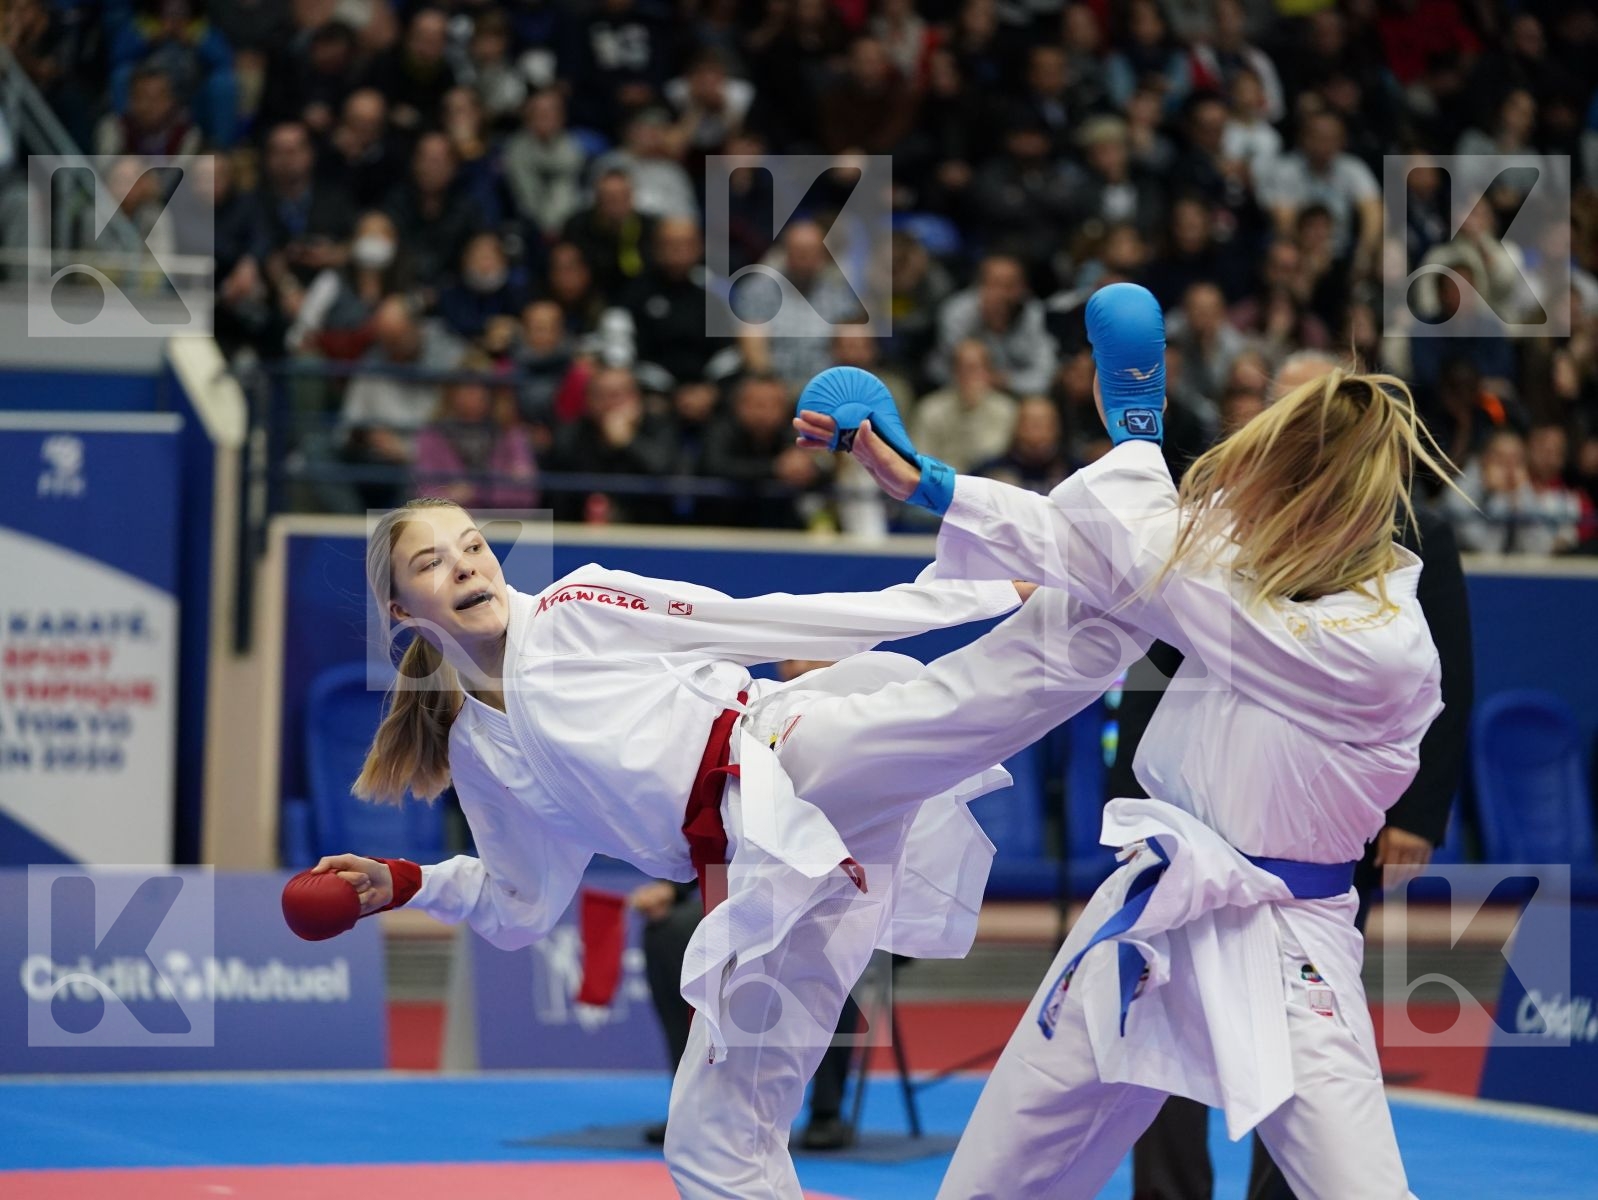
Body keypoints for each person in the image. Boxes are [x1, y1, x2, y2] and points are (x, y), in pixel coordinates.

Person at [794, 283, 1453, 1199]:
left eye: (1266, 491)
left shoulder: (1380, 647)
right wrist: (927, 484)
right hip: (1146, 911)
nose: (1237, 507)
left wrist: (1137, 441)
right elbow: (1107, 554)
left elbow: (1155, 572)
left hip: (1283, 938)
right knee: (993, 1181)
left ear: (1323, 510)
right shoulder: (1253, 568)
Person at [305, 495, 1048, 1198]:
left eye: (473, 545)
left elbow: (766, 619)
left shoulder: (576, 609)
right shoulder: (476, 750)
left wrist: (983, 595)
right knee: (712, 1143)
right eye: (433, 562)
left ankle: (1082, 606)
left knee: (959, 712)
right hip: (769, 884)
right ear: (401, 610)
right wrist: (407, 881)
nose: (467, 565)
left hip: (786, 754)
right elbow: (518, 902)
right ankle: (1077, 625)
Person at [1125, 349, 1475, 1200]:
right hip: (1197, 807)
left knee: (1304, 1028)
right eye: (1274, 404)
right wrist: (1134, 796)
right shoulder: (1212, 518)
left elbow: (1446, 677)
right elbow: (1159, 654)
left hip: (1321, 823)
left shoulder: (1406, 533)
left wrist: (1419, 813)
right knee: (1164, 1015)